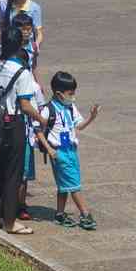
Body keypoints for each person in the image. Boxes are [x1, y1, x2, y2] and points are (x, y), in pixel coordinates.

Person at [0, 26, 47, 235]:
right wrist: (41, 119)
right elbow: (25, 105)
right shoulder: (22, 72)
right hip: (13, 124)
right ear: (20, 45)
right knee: (12, 174)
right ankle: (10, 221)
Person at [36, 71, 100, 231]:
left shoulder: (70, 107)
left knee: (64, 184)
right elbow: (38, 131)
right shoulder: (48, 109)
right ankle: (85, 214)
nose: (73, 97)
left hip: (71, 149)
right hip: (59, 152)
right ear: (59, 94)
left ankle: (59, 214)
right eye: (70, 94)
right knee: (73, 184)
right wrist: (49, 149)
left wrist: (91, 117)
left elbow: (79, 126)